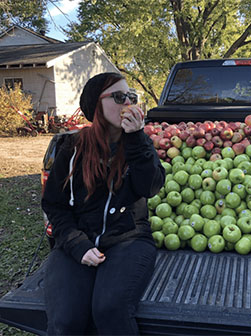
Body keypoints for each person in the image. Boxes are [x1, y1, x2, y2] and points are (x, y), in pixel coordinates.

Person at [42, 72, 165, 335]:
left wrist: (136, 138)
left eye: (132, 97)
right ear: (96, 105)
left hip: (128, 239)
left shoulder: (139, 143)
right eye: (120, 97)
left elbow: (150, 187)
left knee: (109, 309)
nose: (128, 103)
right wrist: (76, 244)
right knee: (65, 320)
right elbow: (54, 205)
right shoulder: (73, 148)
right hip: (78, 237)